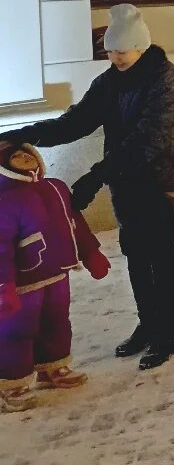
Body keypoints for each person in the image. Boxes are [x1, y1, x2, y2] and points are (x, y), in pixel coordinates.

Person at [0, 4, 174, 371]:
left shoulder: (168, 84)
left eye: (122, 51)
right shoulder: (111, 82)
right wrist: (21, 134)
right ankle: (148, 325)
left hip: (160, 183)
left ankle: (166, 334)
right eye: (111, 51)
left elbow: (150, 142)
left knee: (160, 255)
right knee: (136, 254)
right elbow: (76, 122)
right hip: (126, 183)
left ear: (141, 47)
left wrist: (96, 175)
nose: (116, 57)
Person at [0, 141, 109, 412]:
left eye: (27, 152)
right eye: (15, 156)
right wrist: (4, 286)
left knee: (56, 322)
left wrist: (90, 253)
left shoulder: (55, 188)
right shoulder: (5, 200)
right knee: (18, 331)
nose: (25, 156)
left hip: (57, 272)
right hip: (23, 283)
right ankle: (11, 382)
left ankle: (53, 367)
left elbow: (75, 222)